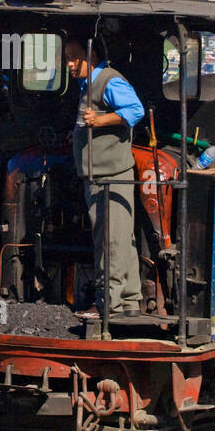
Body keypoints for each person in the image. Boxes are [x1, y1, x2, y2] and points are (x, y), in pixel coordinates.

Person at [65, 39, 145, 318]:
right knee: (122, 239)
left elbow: (135, 111)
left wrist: (99, 121)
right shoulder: (87, 85)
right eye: (67, 58)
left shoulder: (109, 81)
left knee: (110, 240)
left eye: (74, 57)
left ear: (91, 55)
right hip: (98, 174)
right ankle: (130, 301)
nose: (69, 64)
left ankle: (107, 304)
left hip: (110, 176)